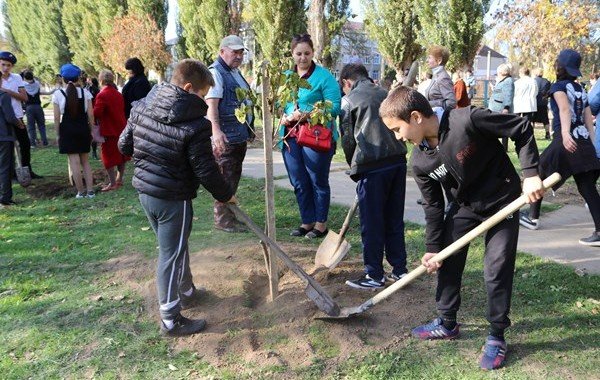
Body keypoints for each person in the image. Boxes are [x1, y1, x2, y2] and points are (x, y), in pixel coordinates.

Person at [380, 86, 544, 370]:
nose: (398, 137)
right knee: (447, 261)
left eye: (397, 129)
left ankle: (496, 335)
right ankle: (446, 323)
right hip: (464, 207)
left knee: (496, 269)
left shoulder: (467, 120)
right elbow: (432, 207)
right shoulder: (420, 161)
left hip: (501, 201)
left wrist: (530, 174)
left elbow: (521, 127)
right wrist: (433, 249)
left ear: (416, 117)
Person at [118, 59, 236, 337]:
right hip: (173, 198)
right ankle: (171, 318)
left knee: (173, 246)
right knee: (170, 254)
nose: (206, 101)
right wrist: (226, 195)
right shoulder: (195, 125)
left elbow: (125, 144)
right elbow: (205, 170)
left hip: (145, 193)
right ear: (187, 87)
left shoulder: (142, 106)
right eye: (203, 94)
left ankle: (186, 290)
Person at [519, 49, 600, 246]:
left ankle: (532, 218)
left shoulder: (559, 87)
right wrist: (590, 140)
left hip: (566, 141)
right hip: (582, 140)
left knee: (537, 173)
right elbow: (588, 117)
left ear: (560, 66)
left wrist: (565, 134)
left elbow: (564, 109)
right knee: (587, 186)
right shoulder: (580, 87)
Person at [339, 63, 408, 289]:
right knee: (393, 218)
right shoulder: (386, 93)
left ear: (347, 82)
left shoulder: (349, 101)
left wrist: (354, 165)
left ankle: (374, 275)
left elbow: (348, 139)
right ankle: (399, 270)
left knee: (372, 222)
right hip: (397, 162)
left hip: (371, 166)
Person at [279, 34, 341, 239]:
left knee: (317, 180)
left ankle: (320, 224)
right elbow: (280, 104)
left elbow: (335, 108)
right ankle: (307, 221)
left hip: (316, 136)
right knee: (299, 181)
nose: (303, 58)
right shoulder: (287, 76)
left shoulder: (324, 77)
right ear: (292, 54)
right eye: (298, 54)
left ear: (313, 53)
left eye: (307, 53)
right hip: (291, 135)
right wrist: (286, 116)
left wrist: (307, 114)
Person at [206, 35, 254, 233]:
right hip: (226, 136)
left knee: (232, 177)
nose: (239, 56)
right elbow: (212, 106)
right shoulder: (216, 73)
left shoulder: (234, 72)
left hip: (238, 135)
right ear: (222, 51)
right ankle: (223, 220)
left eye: (241, 52)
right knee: (225, 178)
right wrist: (216, 131)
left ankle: (230, 216)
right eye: (234, 52)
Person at [52, 64, 95, 198]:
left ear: (62, 78)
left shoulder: (58, 94)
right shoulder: (85, 93)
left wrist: (58, 134)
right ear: (78, 78)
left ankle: (80, 192)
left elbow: (56, 117)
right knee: (85, 162)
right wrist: (91, 131)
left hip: (67, 130)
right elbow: (91, 116)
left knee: (74, 163)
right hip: (83, 129)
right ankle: (91, 191)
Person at [0, 51, 40, 179]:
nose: (6, 68)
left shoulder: (16, 78)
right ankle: (11, 174)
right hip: (3, 120)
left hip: (18, 117)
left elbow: (24, 97)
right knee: (8, 148)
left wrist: (6, 91)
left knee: (25, 144)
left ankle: (27, 171)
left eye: (9, 65)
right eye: (3, 64)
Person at [93, 70, 129, 192]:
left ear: (101, 80)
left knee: (107, 156)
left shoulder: (102, 94)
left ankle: (112, 183)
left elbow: (97, 113)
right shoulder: (118, 94)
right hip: (121, 127)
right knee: (121, 155)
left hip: (109, 129)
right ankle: (119, 179)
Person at [0, 76, 20, 206]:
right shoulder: (3, 95)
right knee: (5, 167)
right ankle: (5, 197)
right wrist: (18, 123)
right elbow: (9, 117)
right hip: (4, 135)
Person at [488, 63, 514, 151]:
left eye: (498, 72)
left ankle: (504, 148)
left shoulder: (508, 81)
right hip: (496, 109)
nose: (497, 74)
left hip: (501, 109)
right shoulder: (503, 80)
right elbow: (500, 92)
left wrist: (506, 108)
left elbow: (508, 95)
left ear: (502, 72)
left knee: (503, 130)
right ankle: (498, 147)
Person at [424, 45, 456, 111]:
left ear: (439, 60)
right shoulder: (436, 75)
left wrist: (427, 104)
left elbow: (451, 103)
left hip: (441, 119)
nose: (427, 60)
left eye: (429, 58)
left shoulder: (443, 78)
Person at [22, 70, 49, 147]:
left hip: (29, 107)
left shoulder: (23, 85)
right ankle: (45, 142)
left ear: (25, 77)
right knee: (41, 125)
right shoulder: (37, 84)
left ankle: (33, 143)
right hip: (38, 106)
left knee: (31, 126)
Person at [533, 68, 552, 140]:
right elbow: (549, 92)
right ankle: (547, 134)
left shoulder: (533, 81)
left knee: (532, 119)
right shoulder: (546, 81)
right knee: (545, 119)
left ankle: (532, 134)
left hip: (534, 103)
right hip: (543, 103)